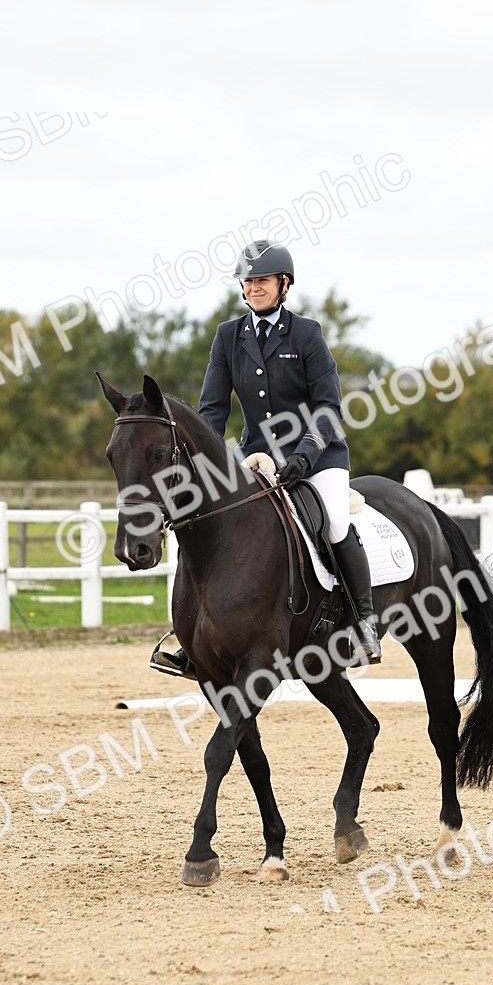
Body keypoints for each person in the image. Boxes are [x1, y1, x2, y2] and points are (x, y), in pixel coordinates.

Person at [151, 239, 381, 677]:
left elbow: (328, 406)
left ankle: (362, 622)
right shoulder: (228, 336)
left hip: (318, 455)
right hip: (259, 458)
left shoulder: (306, 334)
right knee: (209, 524)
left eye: (263, 280)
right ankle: (193, 637)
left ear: (283, 284)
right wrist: (204, 462)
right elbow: (212, 411)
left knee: (333, 520)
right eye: (249, 280)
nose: (254, 287)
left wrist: (307, 454)